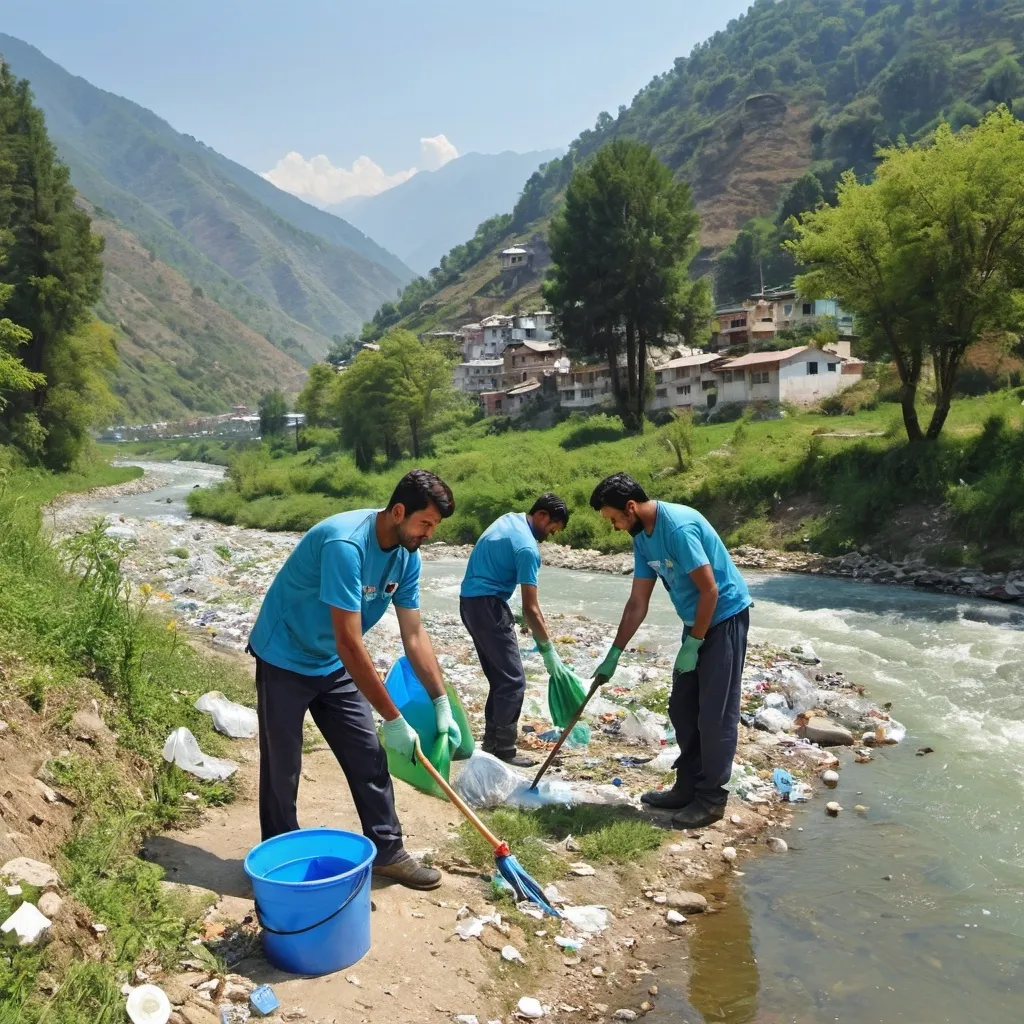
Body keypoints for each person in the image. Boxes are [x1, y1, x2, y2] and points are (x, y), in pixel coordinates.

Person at [247, 469, 460, 890]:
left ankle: (387, 851)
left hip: (330, 661)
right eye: (426, 523)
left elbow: (414, 635)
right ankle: (280, 862)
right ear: (399, 511)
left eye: (434, 526)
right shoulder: (346, 545)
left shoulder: (407, 556)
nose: (429, 534)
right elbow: (349, 641)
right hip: (285, 655)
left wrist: (440, 702)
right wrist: (394, 718)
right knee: (283, 768)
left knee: (367, 753)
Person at [589, 473, 752, 828]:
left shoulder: (676, 528)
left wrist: (695, 643)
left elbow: (711, 591)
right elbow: (638, 601)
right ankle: (688, 785)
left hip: (723, 618)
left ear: (630, 507)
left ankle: (711, 800)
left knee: (715, 713)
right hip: (695, 622)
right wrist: (614, 654)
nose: (615, 526)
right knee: (683, 707)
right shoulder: (641, 539)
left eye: (614, 518)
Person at [460, 494, 571, 767]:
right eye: (552, 527)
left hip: (469, 603)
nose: (551, 534)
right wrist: (548, 651)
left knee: (500, 679)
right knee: (513, 681)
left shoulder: (509, 520)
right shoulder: (527, 548)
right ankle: (505, 750)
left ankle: (491, 743)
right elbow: (531, 607)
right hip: (489, 606)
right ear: (542, 515)